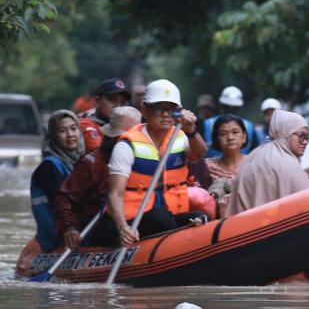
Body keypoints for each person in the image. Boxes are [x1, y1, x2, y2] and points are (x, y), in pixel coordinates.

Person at [106, 79, 208, 246]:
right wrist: (122, 226)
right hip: (133, 219)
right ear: (145, 110)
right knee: (159, 217)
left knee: (201, 217)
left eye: (172, 110)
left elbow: (199, 153)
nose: (166, 115)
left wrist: (191, 130)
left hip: (170, 214)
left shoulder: (181, 137)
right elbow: (115, 194)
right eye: (159, 109)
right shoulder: (126, 145)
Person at [55, 107, 142, 249]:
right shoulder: (91, 163)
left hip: (135, 218)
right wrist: (69, 227)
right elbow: (64, 199)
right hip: (101, 226)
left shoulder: (143, 160)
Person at [227, 110, 309, 214]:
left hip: (242, 227)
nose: (305, 142)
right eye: (301, 136)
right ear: (286, 133)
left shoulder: (254, 155)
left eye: (307, 137)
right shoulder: (287, 162)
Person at [30, 110, 85, 252]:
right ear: (54, 136)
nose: (70, 135)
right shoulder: (49, 166)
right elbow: (58, 205)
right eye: (62, 131)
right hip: (59, 238)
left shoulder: (82, 161)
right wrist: (69, 228)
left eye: (74, 129)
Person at [202, 86, 258, 157]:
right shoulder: (249, 126)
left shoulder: (207, 124)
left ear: (221, 105)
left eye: (235, 132)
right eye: (223, 133)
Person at [80, 78, 131, 153]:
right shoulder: (85, 124)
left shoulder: (126, 126)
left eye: (123, 103)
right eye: (112, 100)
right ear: (97, 101)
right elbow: (102, 153)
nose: (117, 106)